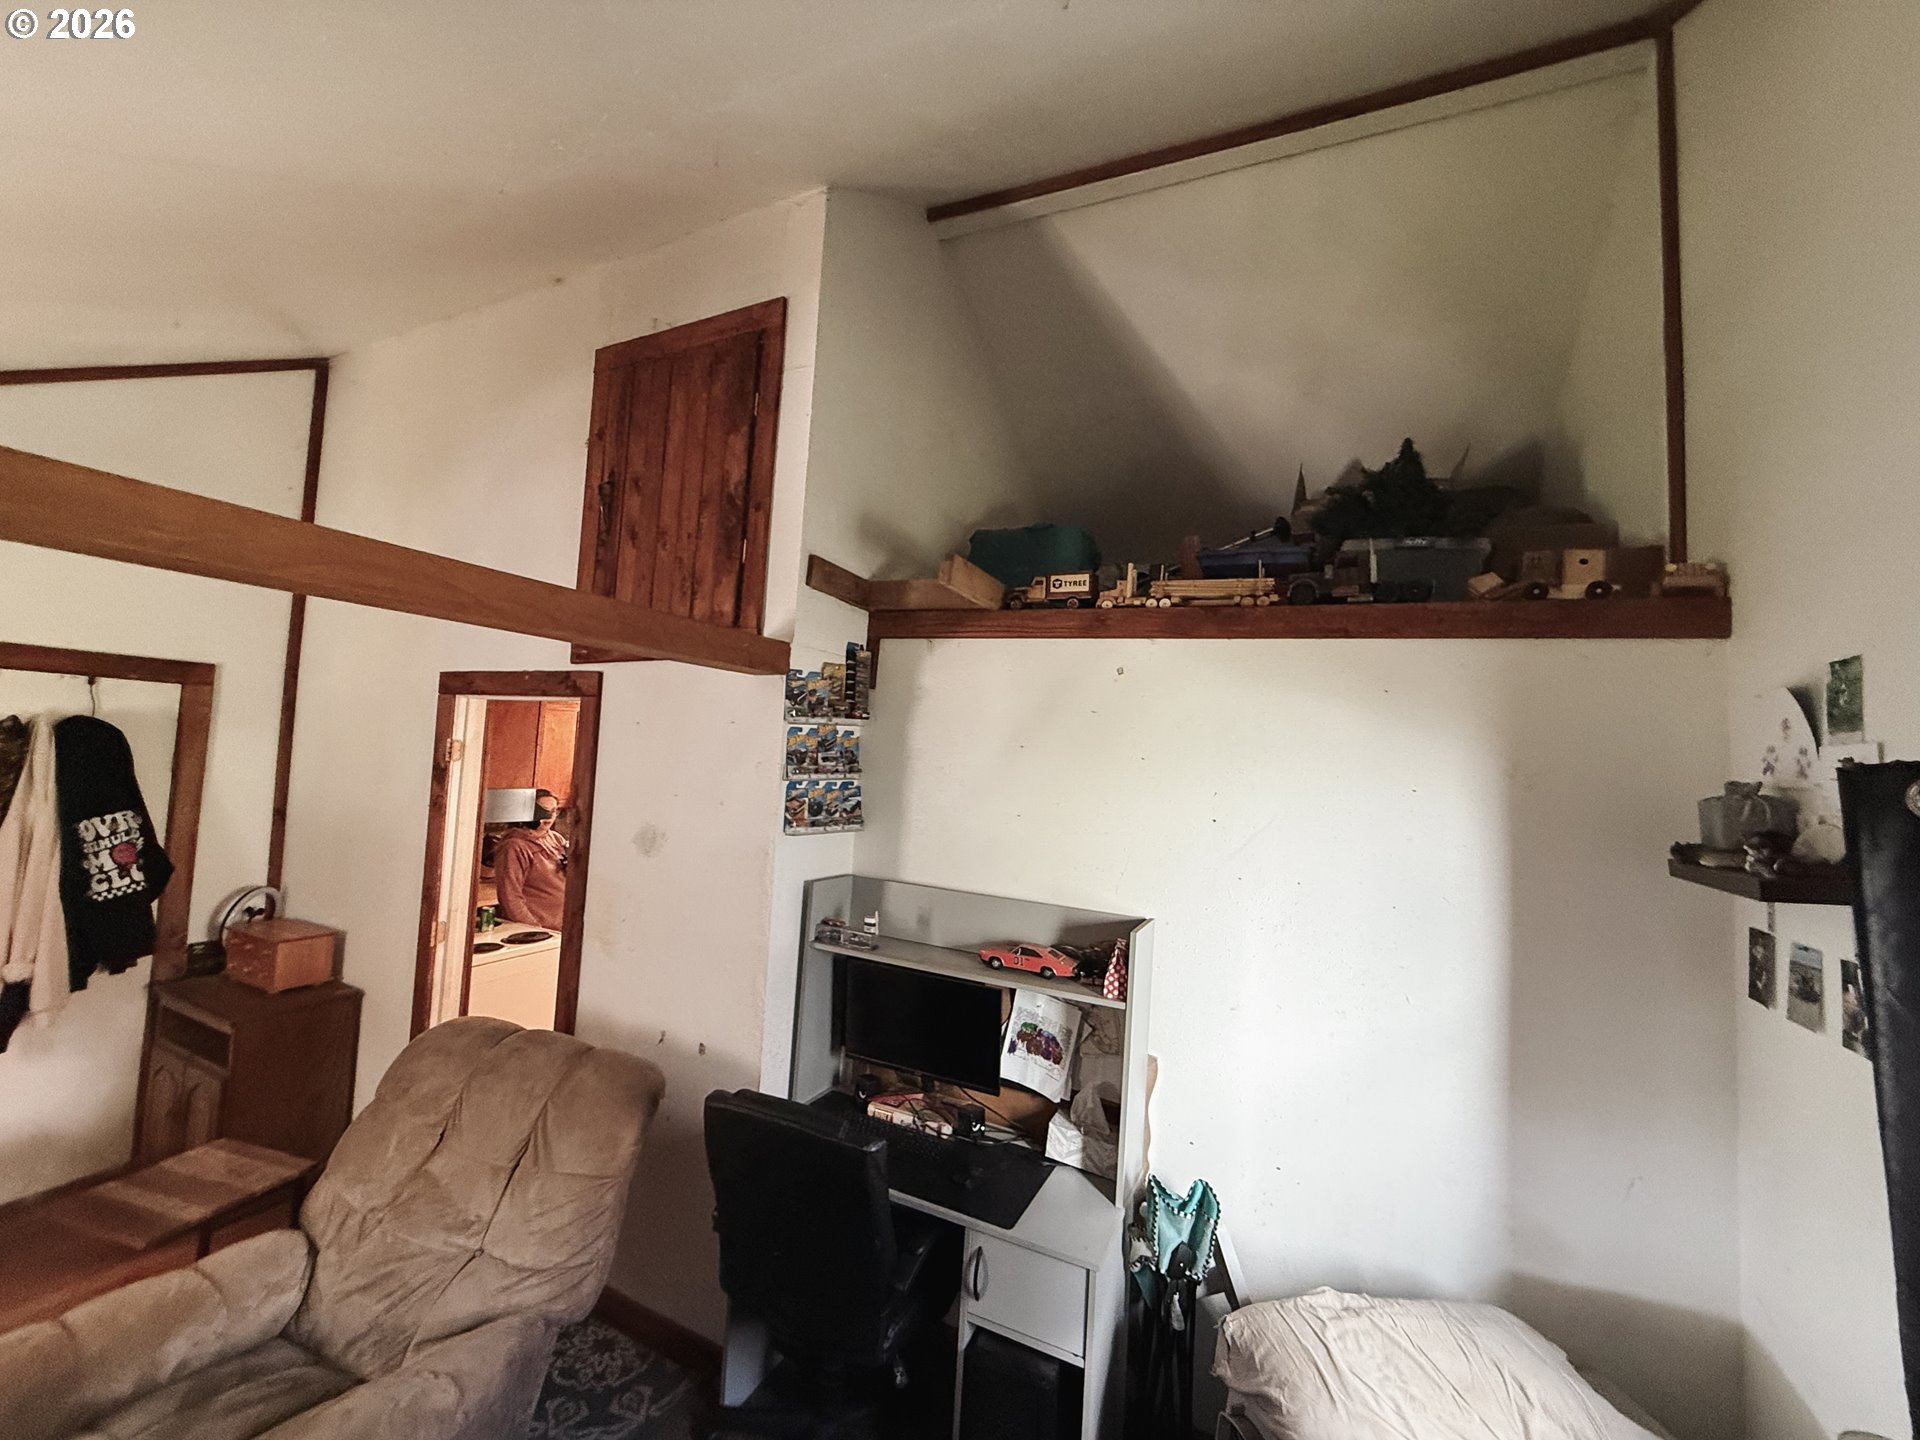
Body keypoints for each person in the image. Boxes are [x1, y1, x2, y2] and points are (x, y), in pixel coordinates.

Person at [492, 788, 568, 930]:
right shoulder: (513, 846)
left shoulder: (556, 838)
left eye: (554, 811)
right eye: (544, 811)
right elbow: (510, 896)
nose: (550, 817)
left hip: (560, 928)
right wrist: (533, 929)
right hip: (539, 929)